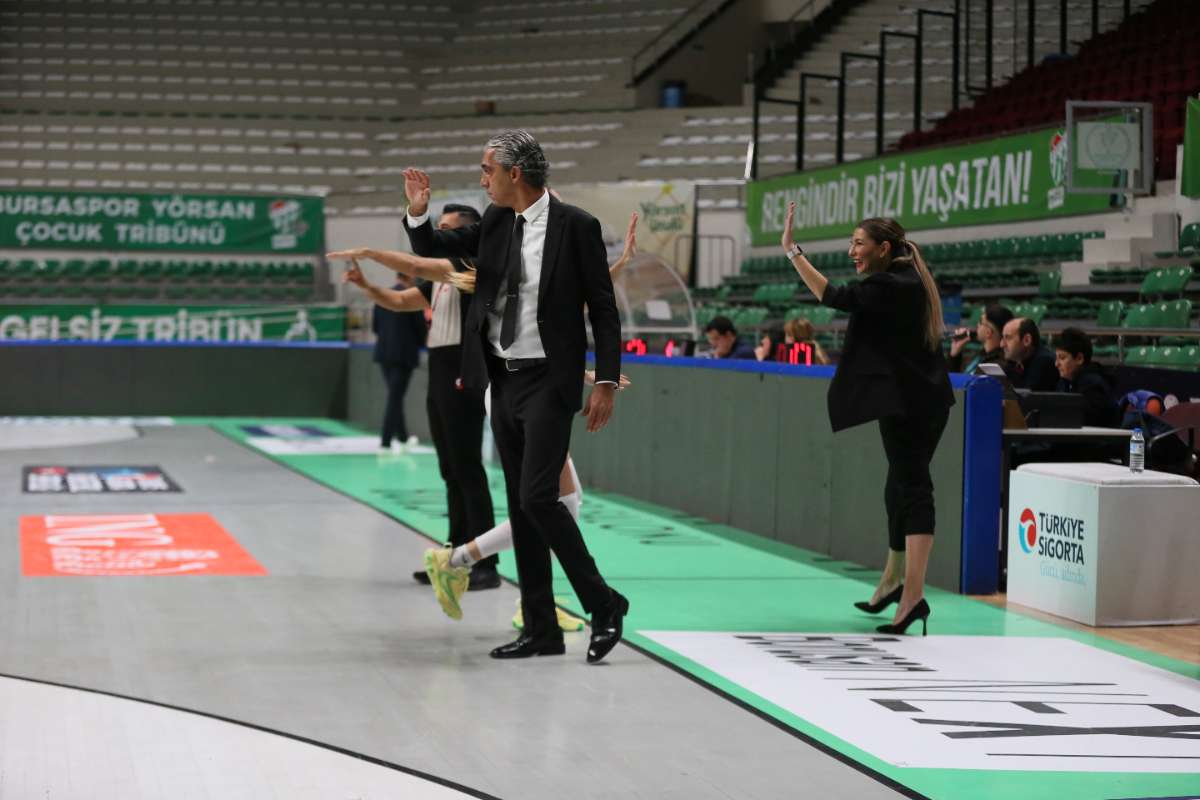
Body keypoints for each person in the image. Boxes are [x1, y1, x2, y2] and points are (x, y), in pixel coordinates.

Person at [398, 130, 629, 664]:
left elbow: (604, 310)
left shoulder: (577, 226)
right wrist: (417, 214)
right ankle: (543, 628)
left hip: (551, 380)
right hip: (502, 379)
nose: (482, 179)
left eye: (487, 170)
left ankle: (603, 602)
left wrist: (607, 382)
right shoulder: (496, 221)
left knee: (537, 498)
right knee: (523, 509)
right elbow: (435, 247)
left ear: (514, 174)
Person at [782, 205, 954, 635]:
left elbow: (834, 296)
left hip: (915, 403)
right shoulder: (899, 280)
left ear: (884, 248)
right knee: (898, 485)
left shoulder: (894, 284)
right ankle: (894, 581)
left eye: (859, 243)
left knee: (914, 489)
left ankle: (913, 596)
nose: (852, 251)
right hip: (907, 399)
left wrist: (793, 252)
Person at [330, 204, 501, 591]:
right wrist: (366, 287)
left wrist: (372, 252)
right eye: (437, 228)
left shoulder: (467, 268)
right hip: (439, 368)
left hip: (462, 368)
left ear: (467, 236)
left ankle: (487, 562)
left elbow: (415, 263)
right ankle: (455, 558)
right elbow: (400, 301)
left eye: (446, 229)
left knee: (468, 470)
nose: (438, 234)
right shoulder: (439, 277)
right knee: (450, 472)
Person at [371, 275, 426, 453]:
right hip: (404, 356)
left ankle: (402, 437)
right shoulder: (413, 297)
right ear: (409, 276)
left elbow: (375, 326)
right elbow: (421, 330)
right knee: (395, 398)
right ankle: (386, 442)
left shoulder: (382, 295)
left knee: (395, 396)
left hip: (384, 353)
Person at [1053, 327, 1118, 427]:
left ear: (1079, 359)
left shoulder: (1093, 384)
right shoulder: (1064, 381)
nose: (1056, 364)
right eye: (1056, 358)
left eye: (1062, 358)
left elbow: (1088, 423)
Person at [947, 304, 1012, 373]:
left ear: (988, 332)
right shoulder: (980, 356)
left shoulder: (996, 367)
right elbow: (954, 380)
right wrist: (955, 355)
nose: (977, 325)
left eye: (980, 322)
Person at [1000, 317, 1057, 391]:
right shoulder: (1013, 363)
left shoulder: (1044, 361)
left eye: (1008, 338)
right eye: (1002, 337)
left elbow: (1026, 398)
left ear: (1027, 340)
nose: (1002, 344)